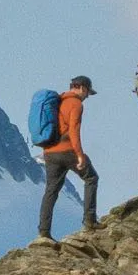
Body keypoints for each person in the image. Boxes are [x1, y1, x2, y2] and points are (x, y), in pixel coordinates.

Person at [34, 75, 98, 241]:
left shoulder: (58, 101)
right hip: (67, 149)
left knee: (51, 190)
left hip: (49, 152)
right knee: (91, 178)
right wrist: (79, 155)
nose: (87, 97)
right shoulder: (75, 104)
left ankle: (43, 232)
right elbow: (74, 131)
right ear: (82, 88)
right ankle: (90, 221)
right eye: (88, 93)